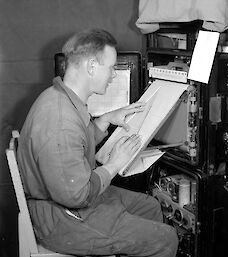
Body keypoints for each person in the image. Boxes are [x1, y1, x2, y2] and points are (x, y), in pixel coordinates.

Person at [17, 28, 178, 257]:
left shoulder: (60, 96)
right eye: (111, 67)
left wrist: (105, 120)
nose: (113, 75)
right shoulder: (60, 121)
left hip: (67, 199)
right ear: (91, 66)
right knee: (165, 239)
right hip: (62, 218)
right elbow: (78, 195)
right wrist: (113, 165)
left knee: (149, 207)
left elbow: (73, 149)